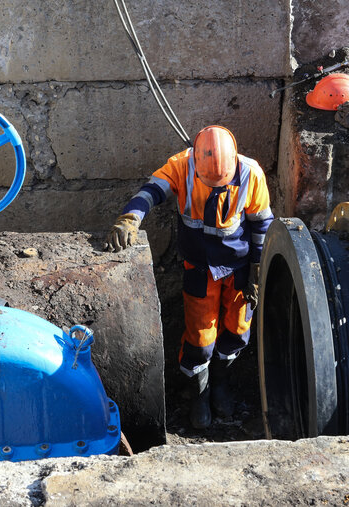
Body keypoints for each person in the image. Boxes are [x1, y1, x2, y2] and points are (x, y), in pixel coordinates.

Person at [105, 125, 273, 429]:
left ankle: (221, 383)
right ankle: (199, 392)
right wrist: (130, 218)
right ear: (197, 163)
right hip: (200, 268)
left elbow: (261, 225)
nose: (216, 188)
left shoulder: (251, 174)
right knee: (200, 339)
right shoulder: (182, 166)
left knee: (237, 330)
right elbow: (151, 191)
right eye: (210, 183)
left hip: (239, 269)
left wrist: (258, 271)